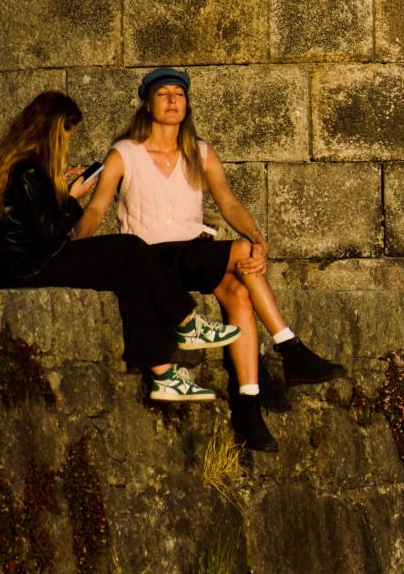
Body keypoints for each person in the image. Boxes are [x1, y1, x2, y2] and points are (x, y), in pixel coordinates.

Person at [75, 67, 345, 452]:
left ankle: (248, 411)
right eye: (163, 94)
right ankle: (290, 349)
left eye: (179, 94)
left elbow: (229, 203)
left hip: (192, 254)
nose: (172, 100)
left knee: (238, 293)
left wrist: (258, 238)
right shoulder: (126, 153)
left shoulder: (200, 153)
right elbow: (96, 207)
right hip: (148, 260)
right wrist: (77, 249)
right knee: (241, 253)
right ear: (148, 103)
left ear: (186, 103)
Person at [0, 91, 239, 401]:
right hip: (27, 269)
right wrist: (73, 199)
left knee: (126, 277)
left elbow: (33, 223)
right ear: (55, 131)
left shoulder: (10, 165)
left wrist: (58, 189)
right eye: (67, 136)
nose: (67, 144)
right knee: (129, 247)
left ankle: (163, 375)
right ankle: (188, 322)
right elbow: (51, 234)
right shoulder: (28, 170)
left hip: (11, 270)